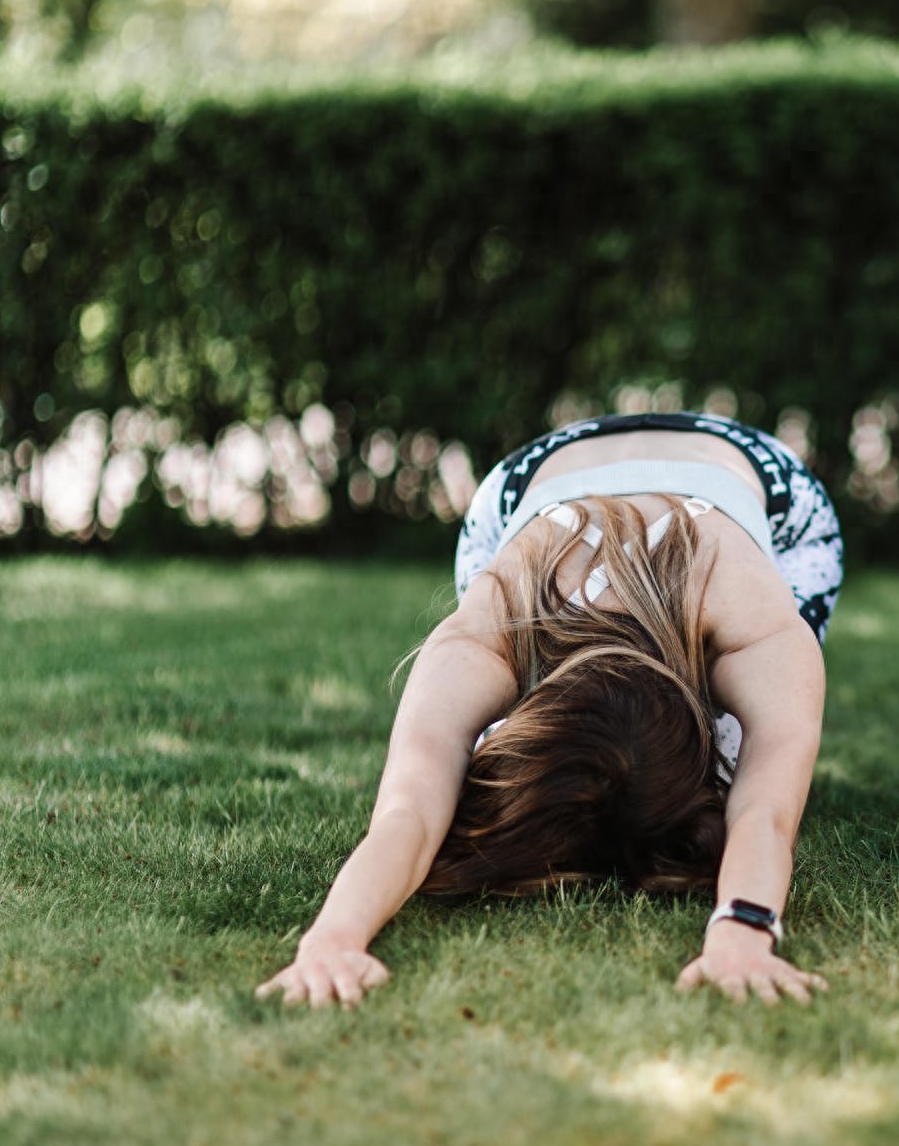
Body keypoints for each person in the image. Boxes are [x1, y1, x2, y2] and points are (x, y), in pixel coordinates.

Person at [258, 411, 843, 1007]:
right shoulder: (491, 628)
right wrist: (332, 939)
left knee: (749, 747)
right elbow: (408, 810)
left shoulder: (756, 621)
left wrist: (743, 934)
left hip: (759, 490)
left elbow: (765, 814)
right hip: (531, 483)